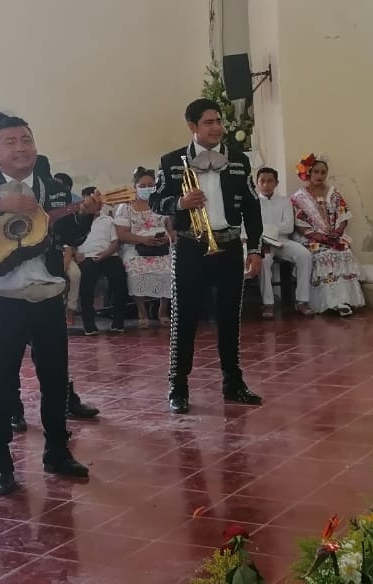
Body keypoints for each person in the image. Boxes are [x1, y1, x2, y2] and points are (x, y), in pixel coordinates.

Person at [0, 119, 97, 495]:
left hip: (48, 296)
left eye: (27, 140)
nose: (21, 148)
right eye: (11, 142)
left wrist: (84, 215)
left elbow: (69, 235)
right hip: (3, 299)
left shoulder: (52, 188)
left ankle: (57, 451)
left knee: (54, 380)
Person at [151, 99, 263, 414]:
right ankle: (178, 386)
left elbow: (253, 209)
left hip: (228, 246)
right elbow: (156, 201)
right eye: (208, 122)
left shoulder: (239, 160)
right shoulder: (172, 161)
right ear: (192, 127)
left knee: (230, 318)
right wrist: (179, 202)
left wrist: (254, 249)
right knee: (184, 319)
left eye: (218, 121)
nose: (216, 128)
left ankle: (233, 383)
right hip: (189, 247)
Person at [289, 154, 366, 316]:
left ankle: (345, 300)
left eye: (323, 172)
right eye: (316, 172)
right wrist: (319, 236)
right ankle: (330, 302)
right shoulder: (299, 197)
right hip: (311, 238)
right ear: (309, 172)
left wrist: (337, 232)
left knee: (344, 251)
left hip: (333, 236)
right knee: (324, 253)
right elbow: (299, 224)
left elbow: (343, 214)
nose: (319, 176)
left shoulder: (333, 192)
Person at [114, 167, 174, 326]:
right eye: (142, 186)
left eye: (150, 185)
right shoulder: (125, 207)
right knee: (135, 271)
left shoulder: (162, 203)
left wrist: (166, 239)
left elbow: (172, 230)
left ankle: (162, 310)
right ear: (135, 187)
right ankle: (142, 311)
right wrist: (142, 240)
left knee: (170, 268)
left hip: (161, 246)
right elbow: (121, 233)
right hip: (135, 245)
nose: (147, 188)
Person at [254, 166, 312, 318]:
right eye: (262, 181)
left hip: (282, 241)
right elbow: (249, 228)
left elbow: (288, 227)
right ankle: (268, 304)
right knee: (264, 261)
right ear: (257, 183)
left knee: (304, 255)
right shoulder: (252, 202)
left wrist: (265, 229)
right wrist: (265, 235)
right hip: (262, 243)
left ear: (276, 183)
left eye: (270, 181)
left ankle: (302, 301)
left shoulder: (285, 201)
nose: (266, 185)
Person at [75, 185, 128, 335]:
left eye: (98, 200)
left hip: (109, 256)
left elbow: (115, 243)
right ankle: (89, 324)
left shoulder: (108, 220)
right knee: (86, 285)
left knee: (120, 280)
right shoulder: (77, 220)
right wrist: (75, 254)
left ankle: (118, 322)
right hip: (87, 257)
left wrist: (105, 254)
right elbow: (70, 241)